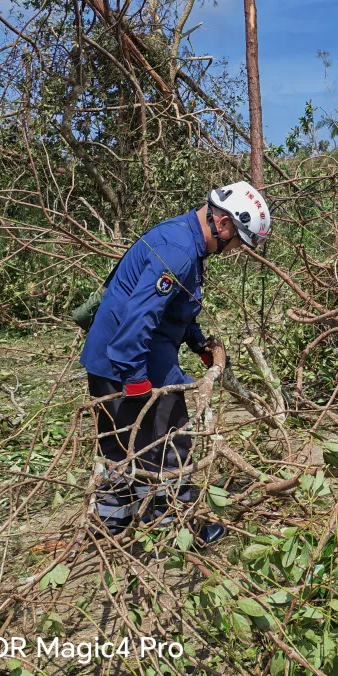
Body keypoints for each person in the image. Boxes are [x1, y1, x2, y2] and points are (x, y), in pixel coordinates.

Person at [79, 182, 271, 543]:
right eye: (237, 243)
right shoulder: (179, 249)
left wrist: (197, 341)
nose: (233, 251)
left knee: (118, 443)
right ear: (226, 225)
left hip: (114, 356)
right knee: (170, 437)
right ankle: (171, 520)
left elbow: (172, 309)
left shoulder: (185, 241)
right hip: (127, 358)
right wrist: (136, 379)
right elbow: (140, 316)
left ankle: (112, 520)